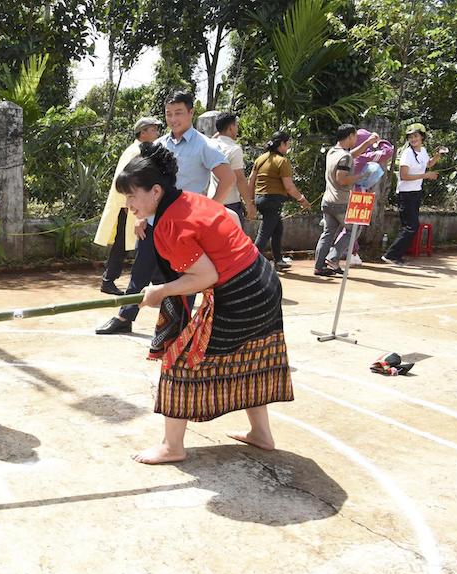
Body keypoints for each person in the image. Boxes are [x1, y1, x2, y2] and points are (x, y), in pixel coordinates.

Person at [114, 142, 294, 464]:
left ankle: (172, 446)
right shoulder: (187, 200)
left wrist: (161, 291)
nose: (129, 205)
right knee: (251, 357)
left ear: (155, 191)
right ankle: (261, 434)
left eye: (131, 196)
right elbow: (226, 223)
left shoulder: (172, 224)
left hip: (241, 294)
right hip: (264, 281)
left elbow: (205, 276)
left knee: (179, 362)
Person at [94, 116, 163, 335]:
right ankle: (110, 279)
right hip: (133, 205)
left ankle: (154, 282)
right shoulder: (136, 152)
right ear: (143, 132)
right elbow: (124, 180)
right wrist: (128, 203)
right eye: (153, 129)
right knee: (128, 244)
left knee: (137, 245)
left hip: (135, 204)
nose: (157, 133)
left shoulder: (138, 150)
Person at [312, 124, 379, 276]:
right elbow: (342, 180)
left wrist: (368, 143)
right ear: (349, 136)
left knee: (328, 233)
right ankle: (333, 258)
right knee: (354, 229)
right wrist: (362, 176)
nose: (355, 139)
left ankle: (319, 266)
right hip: (341, 202)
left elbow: (351, 155)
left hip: (328, 200)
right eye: (355, 136)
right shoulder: (345, 157)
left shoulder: (333, 152)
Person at [248, 131, 311, 271]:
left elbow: (251, 181)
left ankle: (278, 260)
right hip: (273, 200)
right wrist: (301, 199)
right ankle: (249, 263)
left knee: (277, 229)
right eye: (287, 144)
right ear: (282, 144)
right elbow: (289, 186)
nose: (288, 147)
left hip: (260, 198)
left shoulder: (261, 159)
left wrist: (251, 201)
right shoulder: (282, 161)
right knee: (264, 232)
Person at [382, 123, 442, 266]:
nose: (413, 139)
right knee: (411, 226)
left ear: (422, 137)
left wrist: (437, 156)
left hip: (416, 192)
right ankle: (391, 255)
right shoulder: (407, 153)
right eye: (410, 137)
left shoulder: (423, 150)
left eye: (416, 136)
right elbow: (404, 176)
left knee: (409, 226)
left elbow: (428, 164)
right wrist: (426, 176)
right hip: (406, 194)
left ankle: (395, 256)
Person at [156, 92, 233, 199]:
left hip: (190, 213)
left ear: (191, 112)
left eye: (178, 113)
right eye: (169, 114)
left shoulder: (204, 145)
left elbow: (228, 178)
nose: (173, 119)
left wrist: (212, 208)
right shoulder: (158, 145)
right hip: (161, 212)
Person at [338, 129, 395, 266]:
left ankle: (351, 252)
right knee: (355, 227)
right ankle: (344, 253)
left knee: (351, 226)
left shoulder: (349, 155)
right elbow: (388, 152)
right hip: (359, 194)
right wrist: (381, 142)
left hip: (347, 192)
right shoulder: (365, 156)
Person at [209, 112, 256, 225]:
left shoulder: (209, 146)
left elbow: (214, 138)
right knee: (235, 241)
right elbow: (239, 179)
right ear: (231, 128)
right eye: (236, 125)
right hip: (231, 204)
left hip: (211, 202)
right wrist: (249, 204)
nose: (237, 129)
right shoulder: (234, 149)